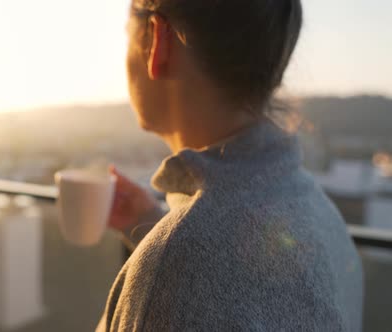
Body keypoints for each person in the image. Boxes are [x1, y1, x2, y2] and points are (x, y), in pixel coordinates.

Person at [96, 0, 364, 331]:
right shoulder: (323, 215)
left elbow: (202, 281)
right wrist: (153, 226)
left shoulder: (177, 271)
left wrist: (166, 253)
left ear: (157, 41)